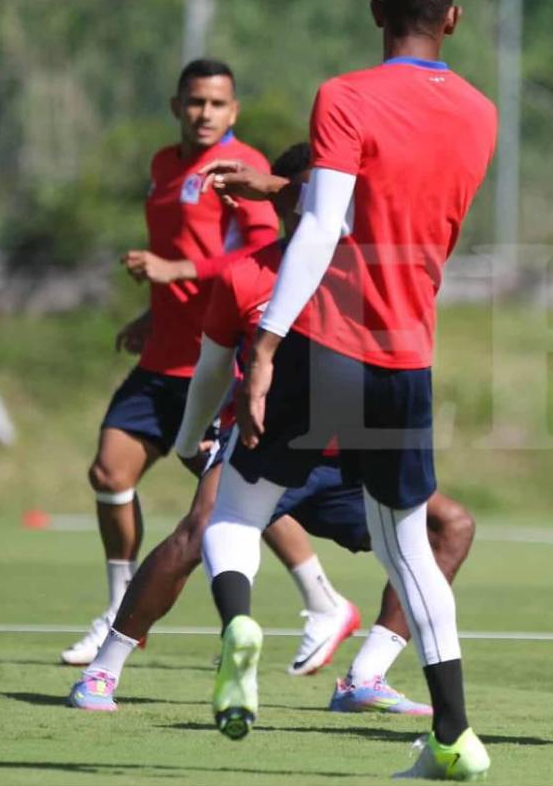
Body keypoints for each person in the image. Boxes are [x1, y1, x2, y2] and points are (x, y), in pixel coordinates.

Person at [198, 0, 496, 779]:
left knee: (234, 512)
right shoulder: (481, 113)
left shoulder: (346, 95)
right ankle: (455, 736)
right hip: (408, 358)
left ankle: (239, 627)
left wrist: (264, 344)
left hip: (327, 344)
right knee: (410, 551)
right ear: (454, 19)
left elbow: (325, 224)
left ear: (377, 13)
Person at [67, 144, 477, 714]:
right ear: (288, 200)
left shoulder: (375, 274)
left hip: (350, 462)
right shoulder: (246, 275)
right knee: (198, 530)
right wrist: (194, 438)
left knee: (451, 526)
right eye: (312, 190)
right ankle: (103, 673)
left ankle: (367, 674)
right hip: (262, 451)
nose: (332, 202)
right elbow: (211, 370)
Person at [61, 60, 282, 666]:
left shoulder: (245, 169)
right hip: (164, 355)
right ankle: (114, 608)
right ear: (175, 105)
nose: (204, 113)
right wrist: (154, 314)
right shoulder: (164, 165)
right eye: (194, 102)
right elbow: (179, 254)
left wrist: (177, 273)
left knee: (238, 498)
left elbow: (264, 253)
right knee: (110, 473)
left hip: (215, 361)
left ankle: (322, 599)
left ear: (233, 112)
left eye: (216, 104)